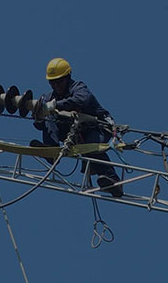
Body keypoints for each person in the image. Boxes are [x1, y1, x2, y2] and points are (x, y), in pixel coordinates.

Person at [31, 58, 124, 197]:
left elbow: (80, 100)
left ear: (68, 77)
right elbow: (41, 125)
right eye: (52, 82)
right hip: (72, 132)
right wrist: (39, 116)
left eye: (59, 81)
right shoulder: (49, 97)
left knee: (92, 146)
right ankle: (50, 151)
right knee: (50, 118)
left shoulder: (78, 88)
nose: (56, 85)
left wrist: (54, 106)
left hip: (97, 128)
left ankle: (113, 182)